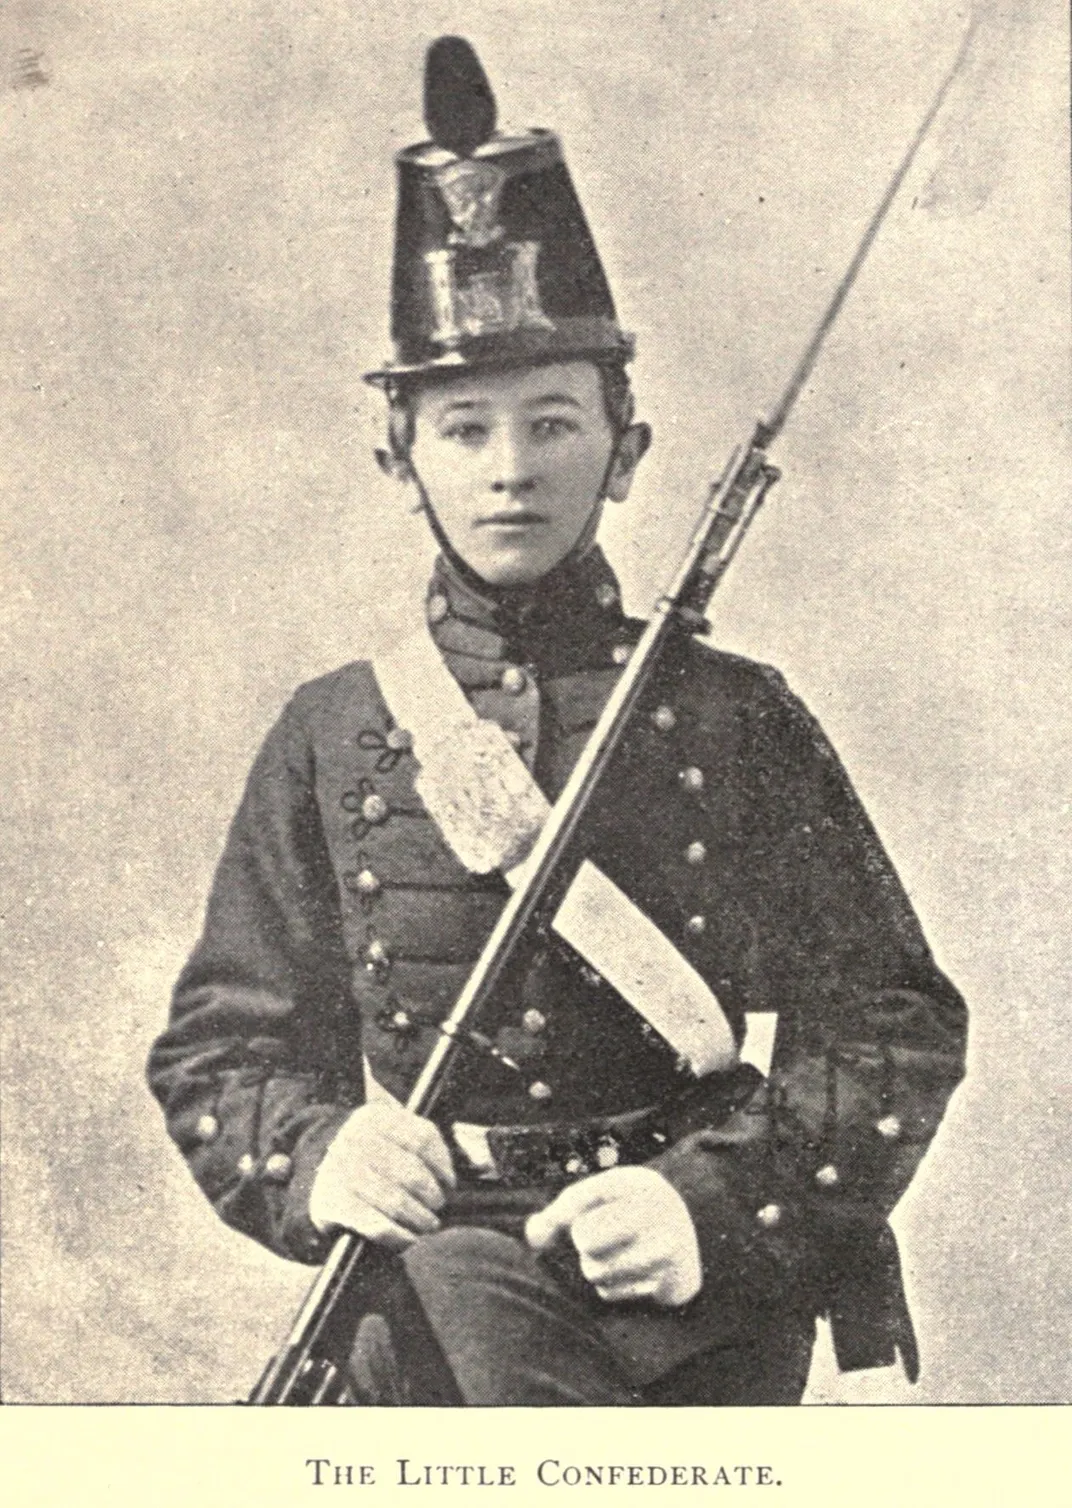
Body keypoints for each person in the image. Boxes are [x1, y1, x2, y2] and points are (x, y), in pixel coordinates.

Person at [147, 37, 968, 1406]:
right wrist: (312, 1155)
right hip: (421, 1300)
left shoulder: (734, 716)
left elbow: (890, 1025)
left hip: (691, 1308)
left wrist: (713, 1207)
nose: (512, 469)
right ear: (396, 455)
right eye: (463, 429)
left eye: (552, 422)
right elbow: (222, 1048)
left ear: (628, 448)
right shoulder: (332, 731)